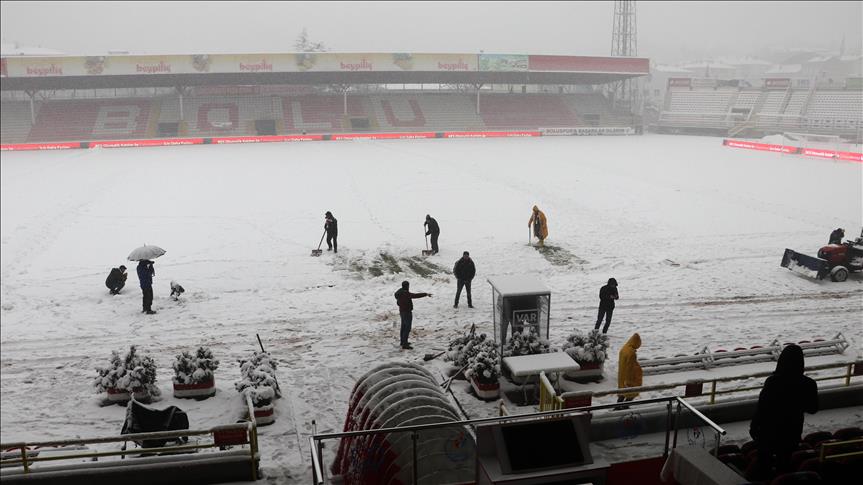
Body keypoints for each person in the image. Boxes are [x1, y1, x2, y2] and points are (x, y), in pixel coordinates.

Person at [748, 344, 818, 479]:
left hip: (768, 431)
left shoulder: (772, 381)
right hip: (792, 432)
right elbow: (813, 409)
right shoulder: (809, 384)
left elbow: (762, 408)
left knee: (763, 464)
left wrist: (754, 427)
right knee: (784, 464)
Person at [394, 280, 431, 350]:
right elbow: (415, 295)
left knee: (403, 327)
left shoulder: (399, 293)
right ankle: (405, 344)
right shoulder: (406, 294)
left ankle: (403, 341)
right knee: (407, 328)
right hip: (407, 313)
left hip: (402, 312)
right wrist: (425, 294)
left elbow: (398, 303)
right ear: (407, 286)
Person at [617, 333, 642, 408]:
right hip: (628, 378)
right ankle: (625, 407)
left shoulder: (624, 348)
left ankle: (618, 406)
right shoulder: (631, 353)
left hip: (621, 376)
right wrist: (629, 381)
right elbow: (630, 368)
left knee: (622, 393)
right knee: (632, 393)